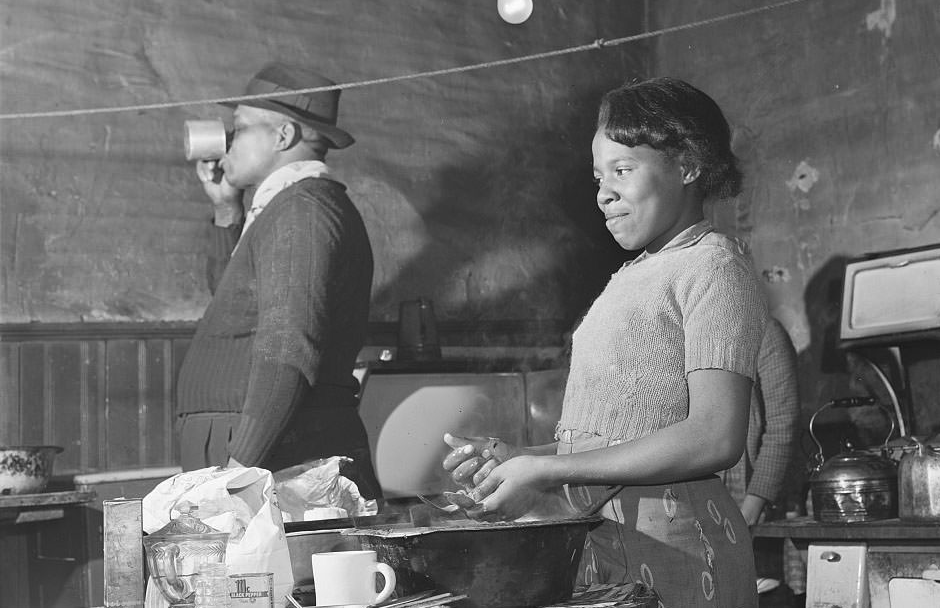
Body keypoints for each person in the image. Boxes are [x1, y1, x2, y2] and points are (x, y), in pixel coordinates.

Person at [442, 77, 768, 608]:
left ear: (688, 165)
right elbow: (615, 439)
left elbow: (715, 436)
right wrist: (523, 457)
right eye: (598, 176)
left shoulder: (712, 265)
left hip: (681, 555)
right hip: (606, 546)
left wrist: (547, 469)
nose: (603, 193)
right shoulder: (633, 273)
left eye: (623, 170)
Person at [175, 63, 382, 501]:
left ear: (283, 136)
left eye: (239, 129)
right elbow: (237, 314)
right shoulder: (284, 208)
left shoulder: (301, 210)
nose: (226, 144)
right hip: (258, 454)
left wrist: (239, 470)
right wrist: (227, 212)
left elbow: (288, 347)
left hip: (273, 459)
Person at [720, 316, 800, 527]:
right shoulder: (686, 332)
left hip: (753, 498)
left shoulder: (765, 332)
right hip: (703, 498)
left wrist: (752, 508)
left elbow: (782, 425)